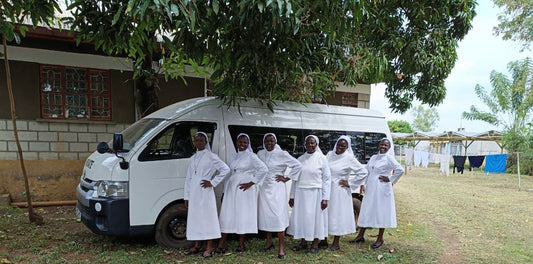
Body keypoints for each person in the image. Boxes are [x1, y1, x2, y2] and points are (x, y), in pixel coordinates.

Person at [216, 133, 268, 253]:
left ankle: (241, 244)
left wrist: (251, 182)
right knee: (228, 214)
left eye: (245, 142)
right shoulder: (234, 157)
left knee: (242, 214)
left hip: (244, 189)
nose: (242, 144)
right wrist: (224, 191)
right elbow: (229, 175)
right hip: (231, 188)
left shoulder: (252, 156)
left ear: (248, 143)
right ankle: (221, 244)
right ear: (237, 142)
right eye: (240, 142)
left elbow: (263, 169)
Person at [184, 132, 230, 258]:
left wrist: (213, 182)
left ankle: (209, 248)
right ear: (194, 142)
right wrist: (186, 197)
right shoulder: (193, 158)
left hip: (205, 193)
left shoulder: (211, 156)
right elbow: (188, 178)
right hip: (194, 193)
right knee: (195, 218)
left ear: (206, 142)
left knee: (207, 218)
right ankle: (197, 245)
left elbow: (225, 169)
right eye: (196, 140)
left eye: (201, 140)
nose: (198, 142)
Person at [351, 138, 404, 249]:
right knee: (367, 209)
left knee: (381, 211)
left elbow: (400, 169)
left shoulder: (389, 158)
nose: (383, 146)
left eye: (385, 145)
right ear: (379, 145)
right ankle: (360, 235)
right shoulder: (374, 157)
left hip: (382, 188)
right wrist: (362, 184)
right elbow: (368, 171)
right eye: (382, 144)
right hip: (371, 187)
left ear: (389, 147)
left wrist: (390, 179)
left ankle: (380, 238)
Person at [257, 133, 303, 259]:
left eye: (271, 141)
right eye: (266, 141)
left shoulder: (282, 154)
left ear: (275, 142)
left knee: (278, 216)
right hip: (264, 188)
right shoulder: (260, 154)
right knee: (266, 215)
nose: (269, 143)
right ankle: (269, 241)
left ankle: (281, 246)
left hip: (277, 188)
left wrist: (286, 178)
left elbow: (298, 165)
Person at [287, 135, 331, 254]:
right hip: (301, 192)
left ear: (316, 144)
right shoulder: (300, 159)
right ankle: (303, 241)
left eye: (312, 143)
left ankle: (315, 244)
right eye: (308, 143)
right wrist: (292, 196)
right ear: (305, 144)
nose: (310, 145)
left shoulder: (322, 158)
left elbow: (327, 179)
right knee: (302, 218)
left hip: (316, 193)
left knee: (315, 218)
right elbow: (295, 179)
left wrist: (325, 198)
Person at [325, 135, 368, 251]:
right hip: (327, 188)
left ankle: (336, 243)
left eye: (343, 146)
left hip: (339, 190)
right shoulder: (329, 155)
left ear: (347, 147)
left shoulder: (349, 158)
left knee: (337, 215)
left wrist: (350, 183)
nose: (340, 147)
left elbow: (363, 172)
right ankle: (323, 240)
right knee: (325, 213)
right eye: (339, 144)